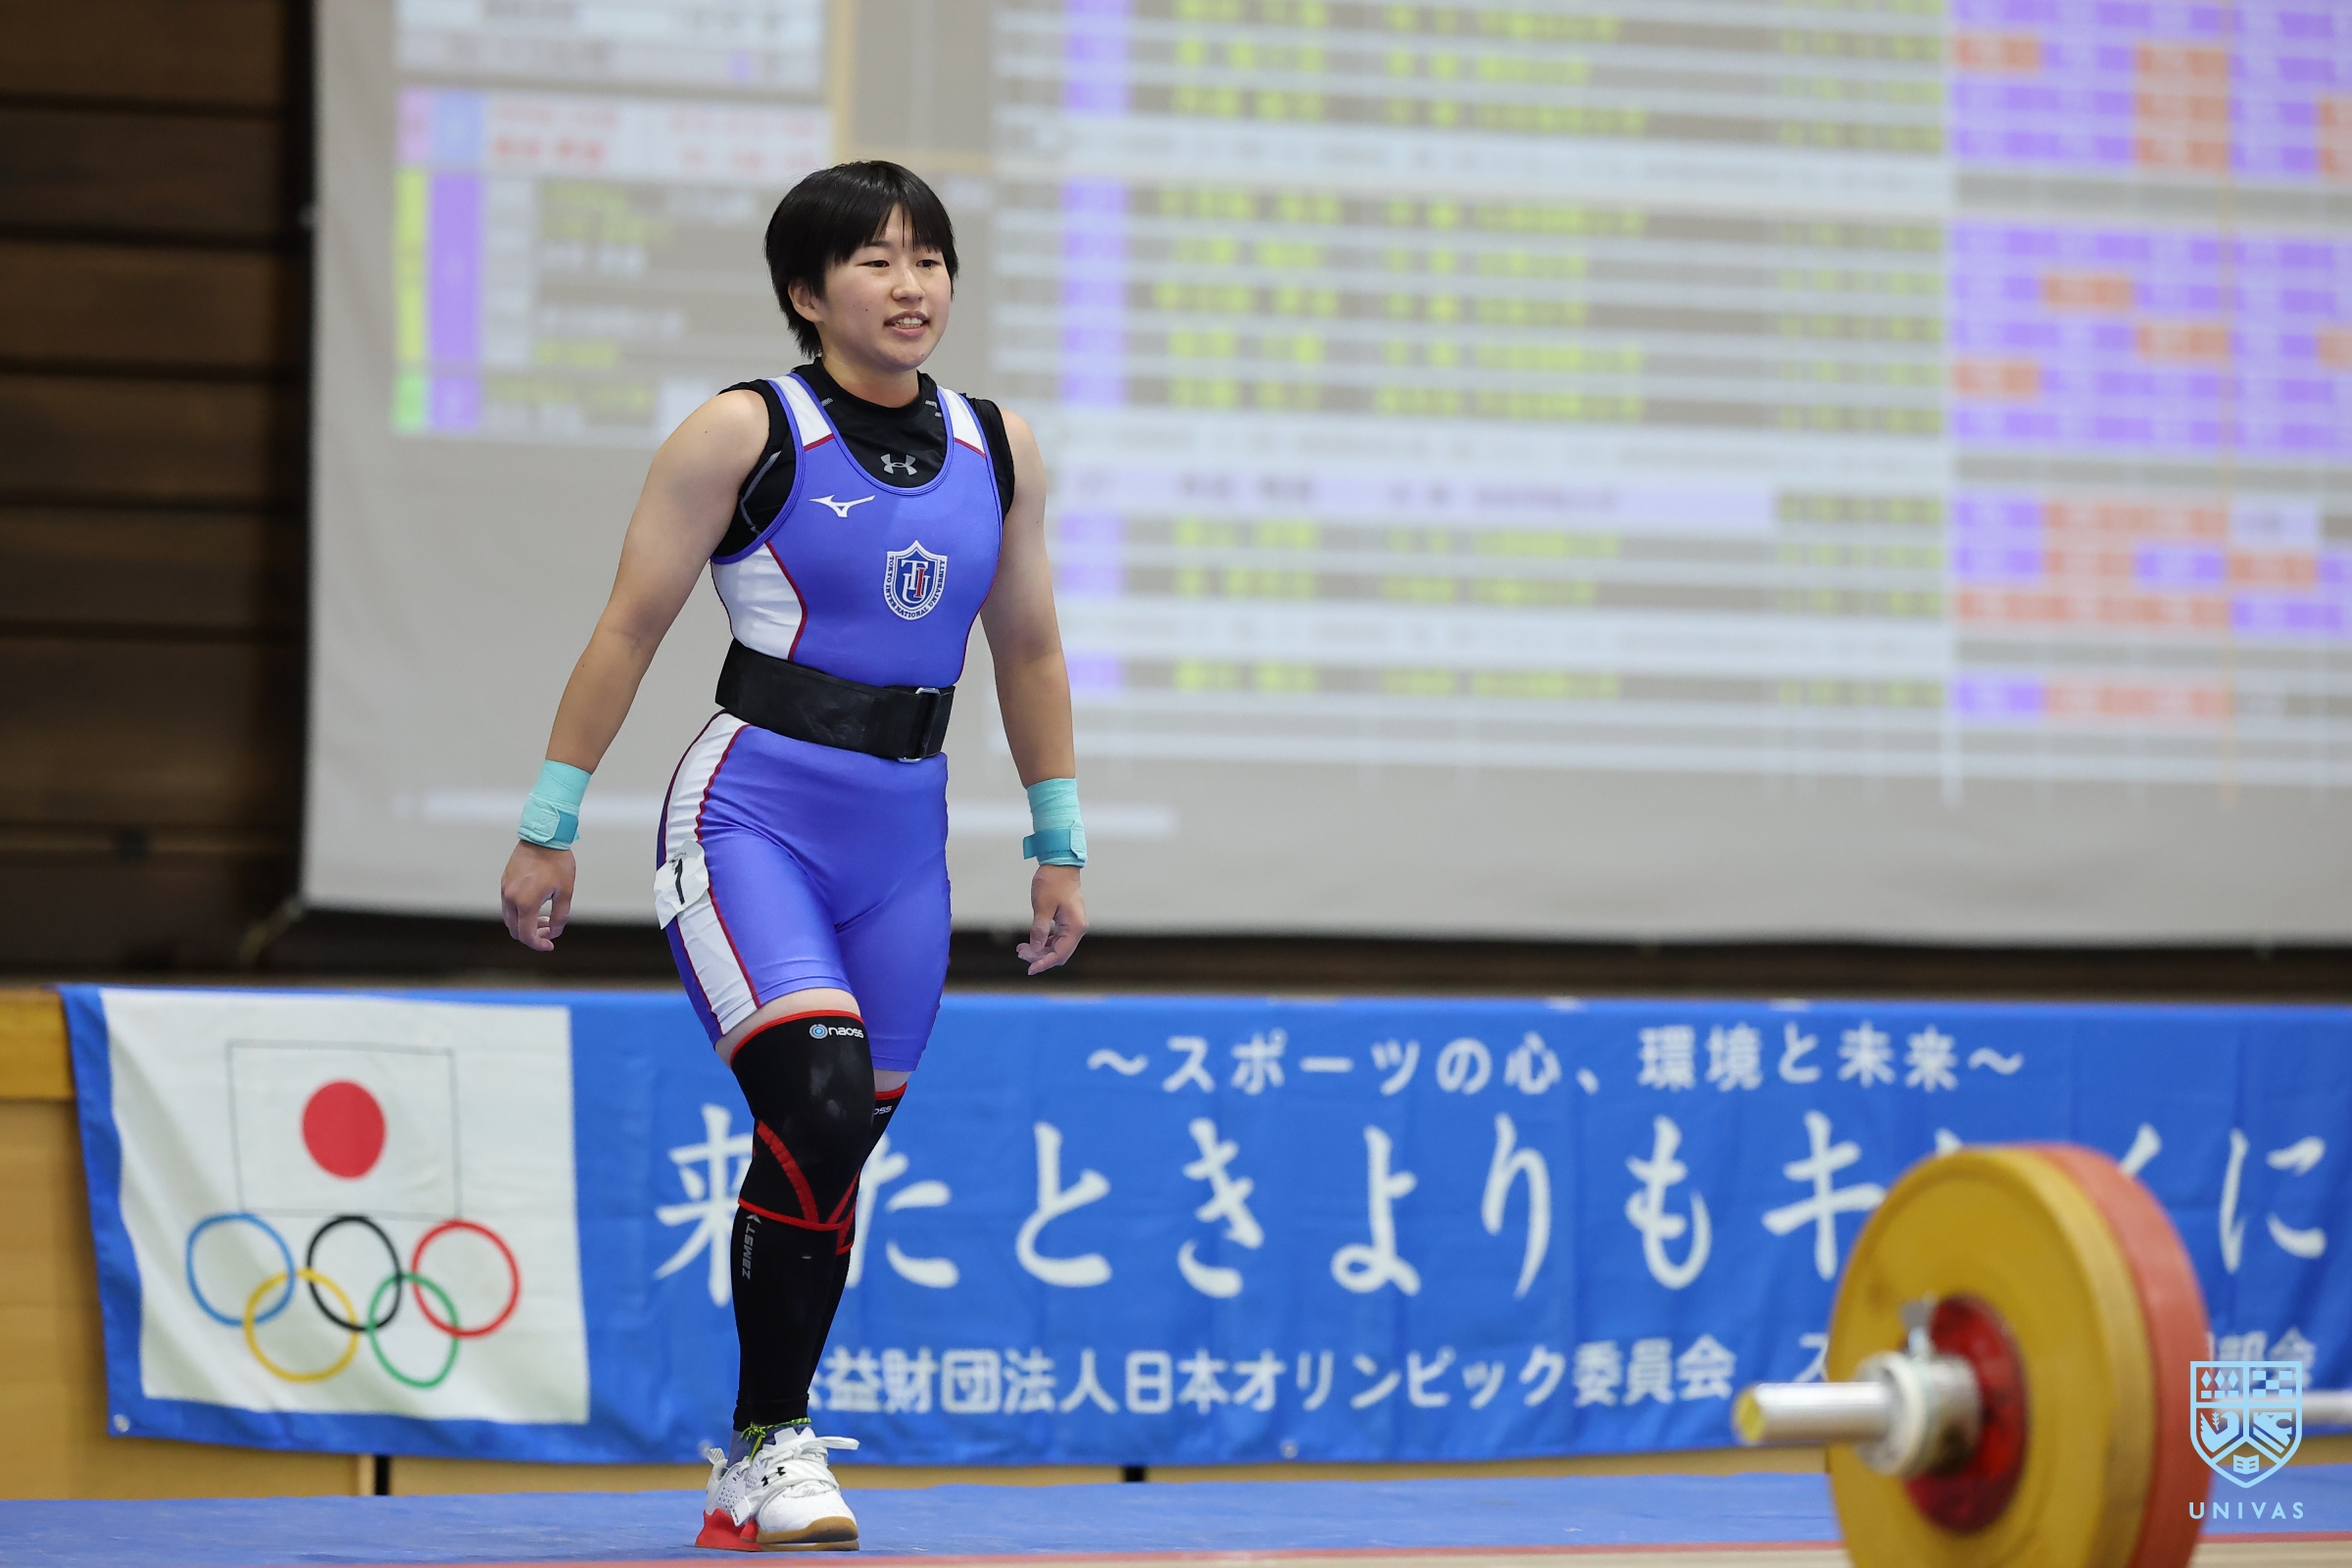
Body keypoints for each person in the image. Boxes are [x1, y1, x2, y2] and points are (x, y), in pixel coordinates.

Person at [498, 161, 1088, 1551]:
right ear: (805, 293)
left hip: (904, 846)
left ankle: (752, 1458)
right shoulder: (742, 430)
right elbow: (630, 627)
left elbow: (1029, 647)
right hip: (750, 819)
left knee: (829, 1150)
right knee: (816, 1103)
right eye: (876, 261)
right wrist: (548, 823)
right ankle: (773, 1444)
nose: (911, 285)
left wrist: (1056, 839)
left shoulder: (999, 445)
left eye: (930, 258)